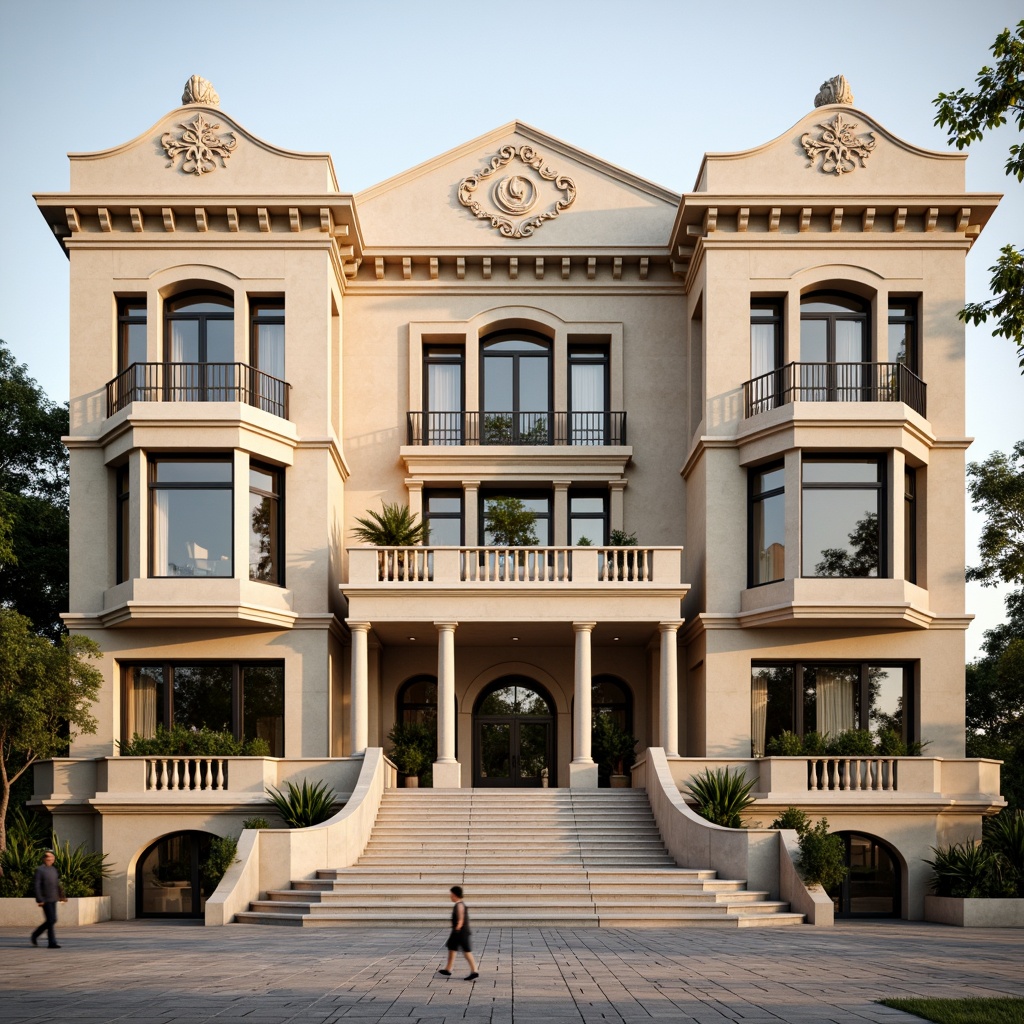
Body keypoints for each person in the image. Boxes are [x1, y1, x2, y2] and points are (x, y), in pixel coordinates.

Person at [437, 885, 478, 981]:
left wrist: (457, 929)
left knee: (466, 951)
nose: (450, 896)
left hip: (460, 932)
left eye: (451, 894)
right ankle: (448, 969)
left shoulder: (459, 905)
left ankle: (474, 971)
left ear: (455, 895)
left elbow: (460, 920)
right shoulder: (459, 904)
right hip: (458, 932)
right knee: (452, 948)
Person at [30, 849, 65, 949]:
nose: (51, 859)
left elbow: (57, 884)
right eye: (48, 858)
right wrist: (39, 899)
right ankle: (51, 942)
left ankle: (36, 935)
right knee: (51, 920)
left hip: (53, 898)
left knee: (52, 920)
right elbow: (37, 885)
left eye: (52, 858)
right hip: (45, 899)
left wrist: (61, 896)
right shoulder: (40, 870)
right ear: (44, 859)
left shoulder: (53, 870)